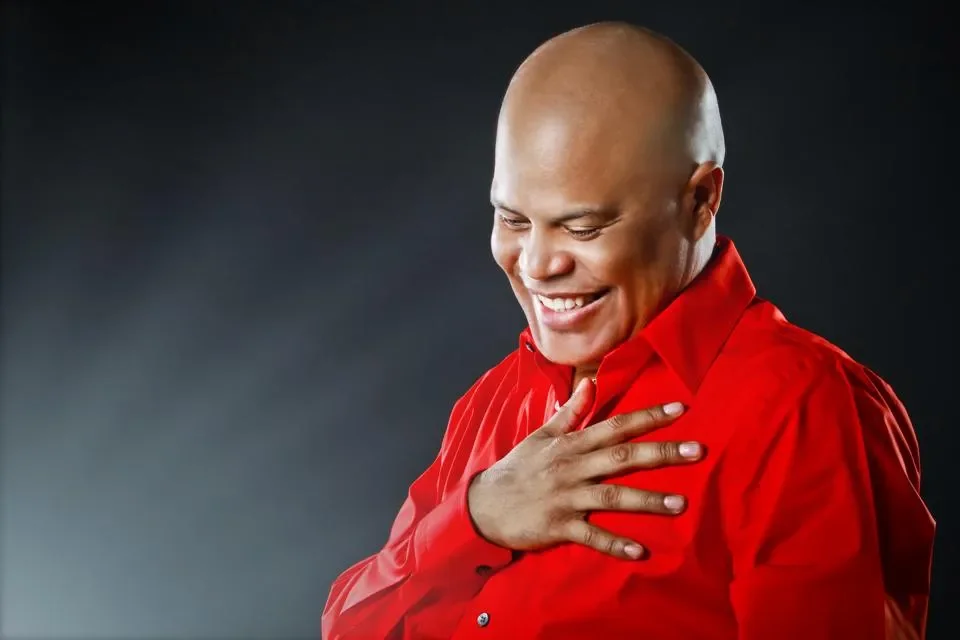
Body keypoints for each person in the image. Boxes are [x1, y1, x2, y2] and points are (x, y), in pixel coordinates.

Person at [321, 22, 935, 639]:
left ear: (699, 202)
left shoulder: (799, 405)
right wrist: (474, 518)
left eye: (581, 229)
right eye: (512, 219)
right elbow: (347, 628)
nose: (537, 265)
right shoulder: (491, 402)